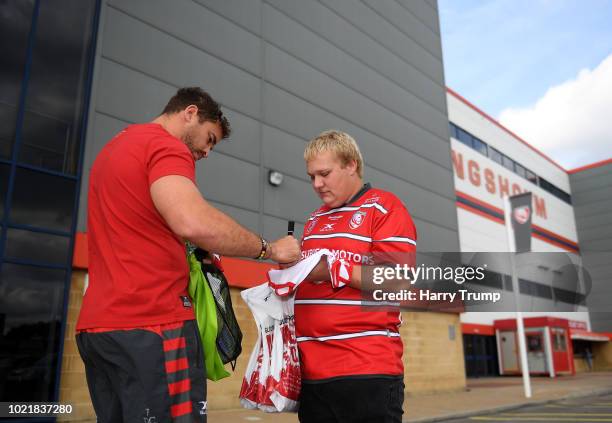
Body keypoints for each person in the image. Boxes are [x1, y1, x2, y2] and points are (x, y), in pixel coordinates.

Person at [75, 87, 300, 423]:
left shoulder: (115, 147)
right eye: (209, 138)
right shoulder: (166, 146)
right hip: (152, 323)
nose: (207, 152)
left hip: (98, 329)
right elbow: (191, 221)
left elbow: (143, 225)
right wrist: (268, 248)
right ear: (190, 113)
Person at [294, 130, 417, 423]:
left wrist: (334, 269)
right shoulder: (314, 219)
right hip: (312, 374)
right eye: (311, 176)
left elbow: (398, 279)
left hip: (365, 371)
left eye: (324, 173)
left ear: (351, 165)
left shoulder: (384, 207)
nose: (317, 184)